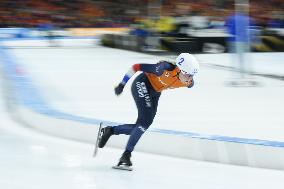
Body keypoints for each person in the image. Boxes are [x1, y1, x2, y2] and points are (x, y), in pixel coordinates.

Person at [98, 53, 199, 168]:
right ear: (180, 70)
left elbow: (188, 81)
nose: (190, 79)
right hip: (142, 84)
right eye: (189, 75)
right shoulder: (163, 68)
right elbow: (136, 67)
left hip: (155, 93)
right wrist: (122, 84)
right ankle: (126, 155)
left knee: (142, 126)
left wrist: (189, 79)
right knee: (143, 124)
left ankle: (110, 131)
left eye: (192, 76)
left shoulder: (189, 83)